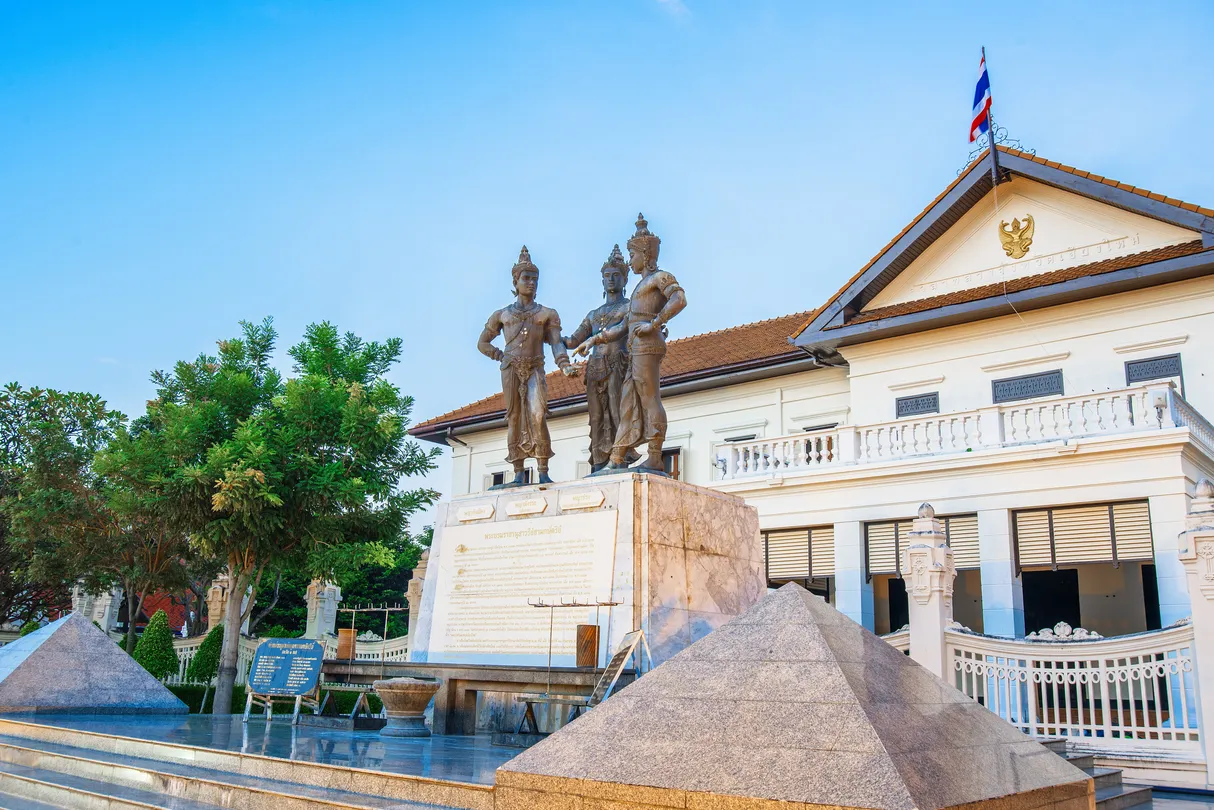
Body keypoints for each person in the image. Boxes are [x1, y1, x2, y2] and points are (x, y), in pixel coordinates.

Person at [574, 215, 686, 474]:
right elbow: (624, 325)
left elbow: (679, 299)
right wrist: (592, 340)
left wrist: (654, 323)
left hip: (648, 345)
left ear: (645, 255)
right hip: (636, 348)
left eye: (633, 255)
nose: (631, 260)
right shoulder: (640, 287)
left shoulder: (660, 277)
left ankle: (655, 455)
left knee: (649, 398)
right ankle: (617, 456)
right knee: (628, 401)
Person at [477, 246, 577, 486]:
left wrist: (564, 365)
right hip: (511, 368)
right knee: (514, 417)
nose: (531, 283)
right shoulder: (502, 315)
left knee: (537, 414)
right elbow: (482, 343)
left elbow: (556, 343)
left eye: (534, 279)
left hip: (535, 368)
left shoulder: (547, 314)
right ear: (516, 281)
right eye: (526, 278)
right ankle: (518, 472)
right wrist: (498, 355)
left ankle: (543, 468)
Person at [564, 246, 635, 473]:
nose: (611, 279)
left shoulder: (629, 307)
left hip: (617, 363)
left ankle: (619, 457)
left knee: (616, 411)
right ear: (602, 281)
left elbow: (628, 329)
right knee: (595, 417)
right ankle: (598, 461)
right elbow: (573, 340)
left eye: (616, 275)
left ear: (625, 279)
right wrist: (552, 335)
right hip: (594, 367)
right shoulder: (593, 314)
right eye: (607, 276)